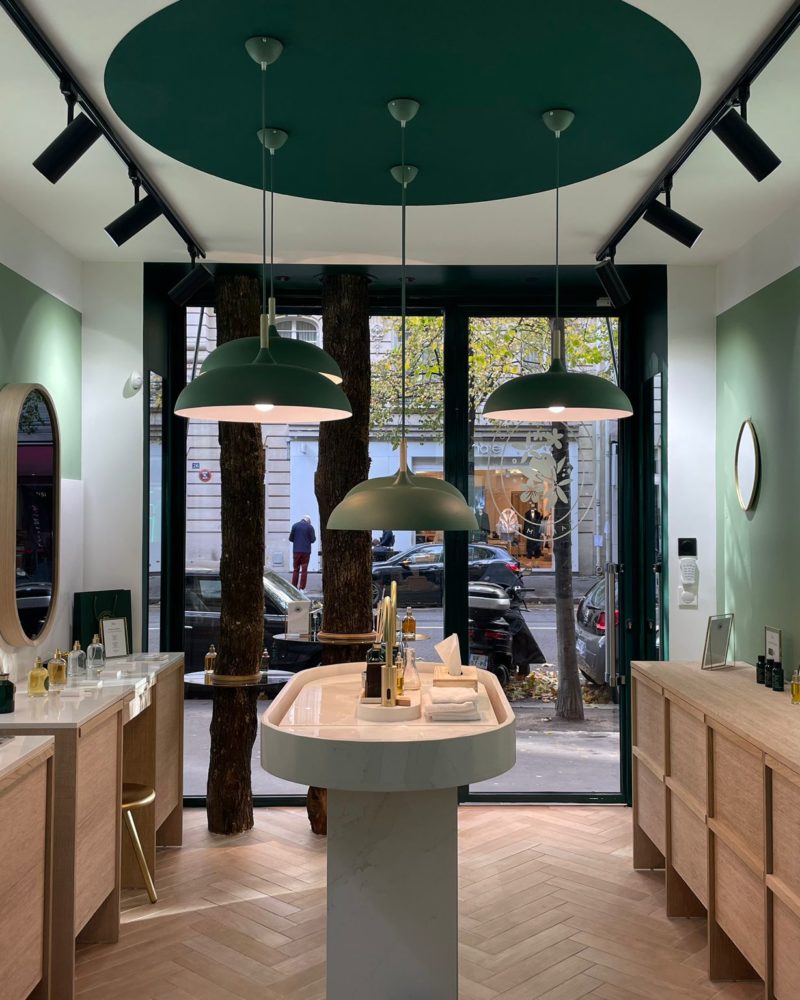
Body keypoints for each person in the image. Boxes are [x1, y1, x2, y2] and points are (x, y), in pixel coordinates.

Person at [289, 515, 316, 590]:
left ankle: (294, 587)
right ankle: (301, 588)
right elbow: (313, 540)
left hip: (296, 551)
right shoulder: (310, 527)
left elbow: (290, 538)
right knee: (304, 570)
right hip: (306, 552)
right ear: (308, 521)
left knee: (296, 569)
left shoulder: (295, 526)